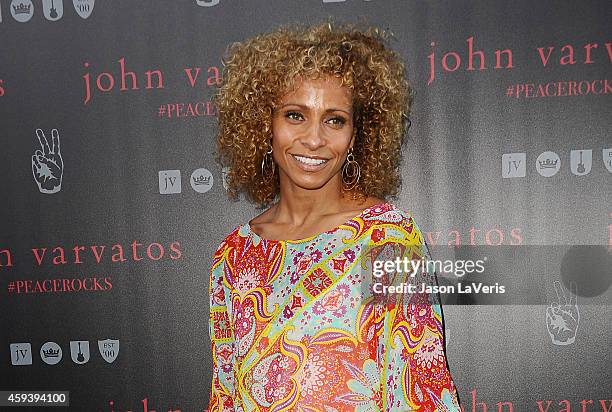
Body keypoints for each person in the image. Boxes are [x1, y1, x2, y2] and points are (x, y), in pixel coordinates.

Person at [207, 20, 461, 411]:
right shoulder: (234, 254)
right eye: (295, 115)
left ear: (356, 135)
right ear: (265, 126)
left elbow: (420, 388)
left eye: (334, 119)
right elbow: (225, 394)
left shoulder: (387, 240)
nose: (314, 138)